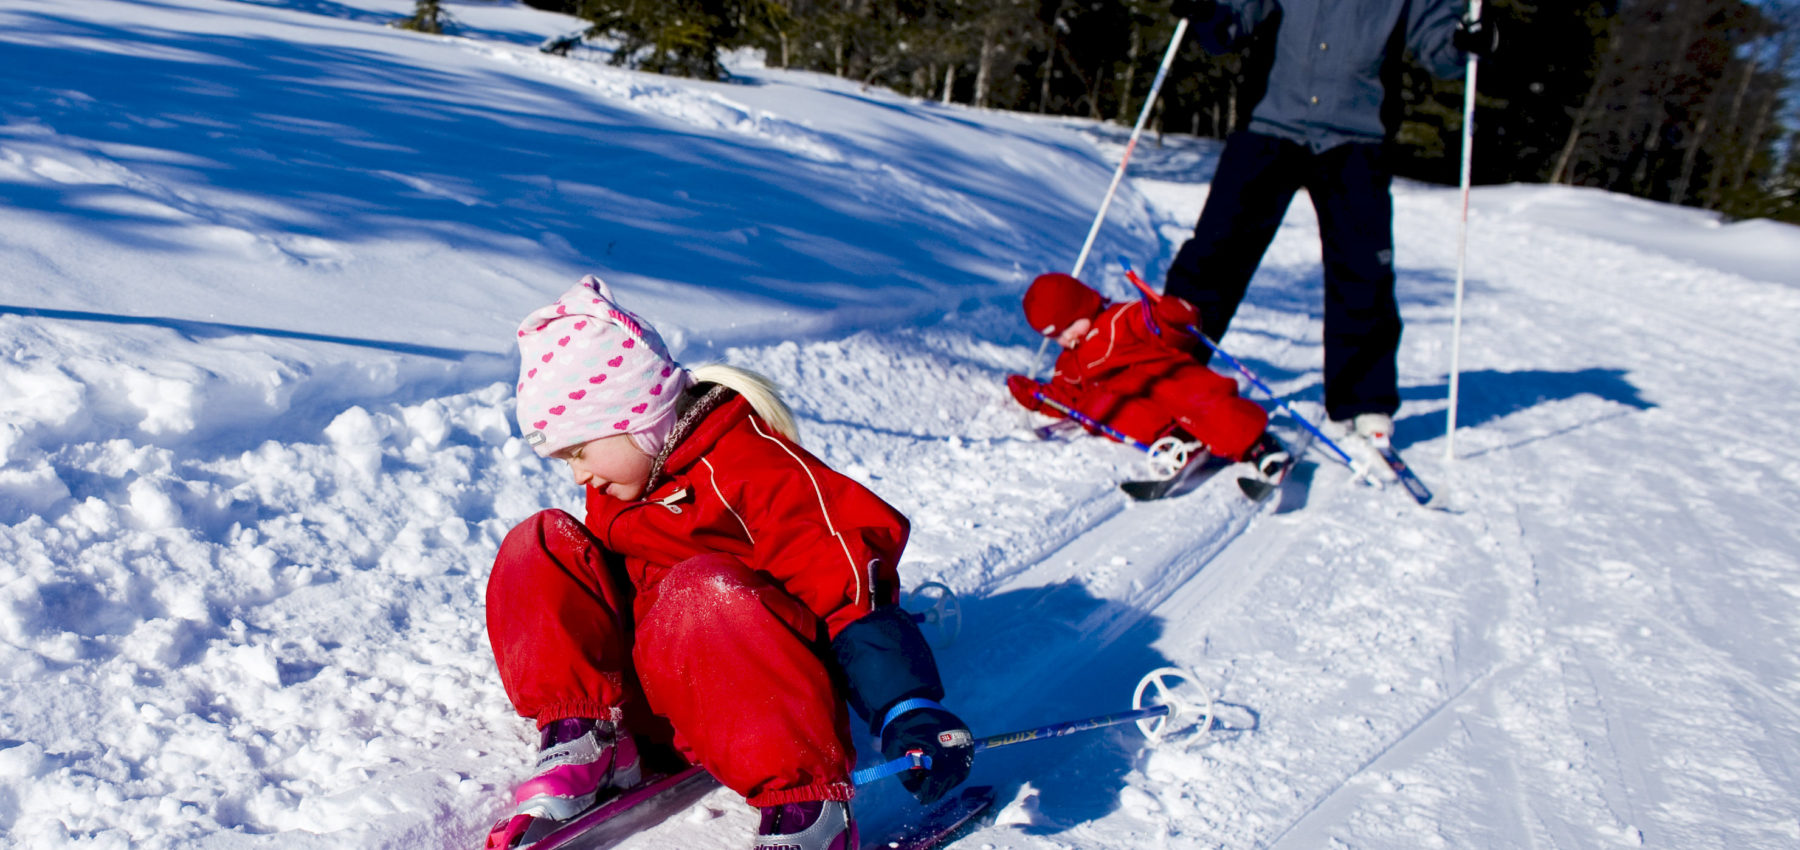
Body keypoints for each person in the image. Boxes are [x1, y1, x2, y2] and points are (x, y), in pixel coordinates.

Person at [483, 275, 973, 850]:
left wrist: (906, 708)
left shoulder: (758, 474)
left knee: (700, 587)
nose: (578, 476)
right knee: (537, 541)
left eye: (580, 450)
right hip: (654, 700)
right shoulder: (626, 482)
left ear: (635, 419)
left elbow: (846, 588)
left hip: (755, 702)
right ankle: (589, 734)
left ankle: (808, 810)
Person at [1162, 0, 1497, 442]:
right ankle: (1161, 365)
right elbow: (1230, 26)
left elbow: (1439, 47)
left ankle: (1365, 403)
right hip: (1269, 126)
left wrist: (1466, 38)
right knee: (1214, 256)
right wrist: (1207, 12)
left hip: (1355, 140)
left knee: (1363, 272)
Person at [1005, 272, 1289, 480]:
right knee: (1100, 408)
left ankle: (1257, 444)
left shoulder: (1120, 318)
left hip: (1169, 379)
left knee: (1202, 404)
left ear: (1084, 305)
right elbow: (1069, 398)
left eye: (1069, 326)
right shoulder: (1069, 363)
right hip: (1137, 403)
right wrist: (1037, 397)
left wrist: (1172, 316)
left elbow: (1159, 325)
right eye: (1056, 336)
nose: (1067, 338)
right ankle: (1178, 438)